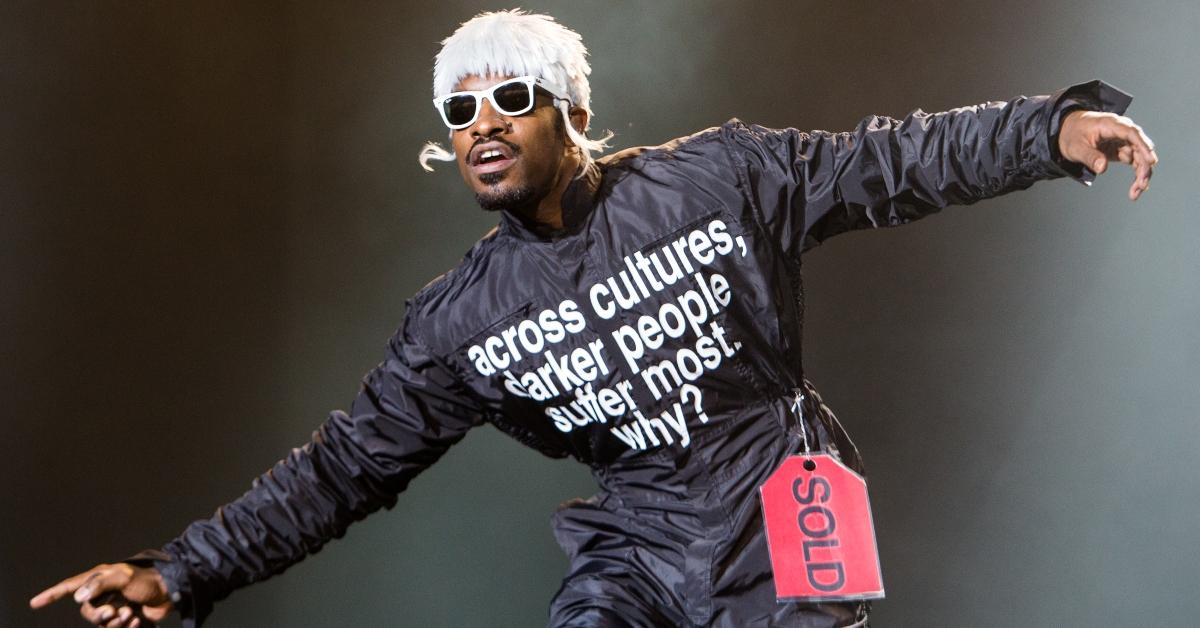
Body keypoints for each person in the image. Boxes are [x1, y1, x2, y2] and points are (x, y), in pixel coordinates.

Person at [30, 9, 1157, 628]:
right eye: (459, 107)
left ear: (571, 113)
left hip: (784, 533)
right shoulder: (460, 320)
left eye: (509, 97)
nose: (480, 122)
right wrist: (181, 570)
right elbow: (343, 468)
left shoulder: (717, 180)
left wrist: (1048, 129)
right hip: (636, 558)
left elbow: (889, 161)